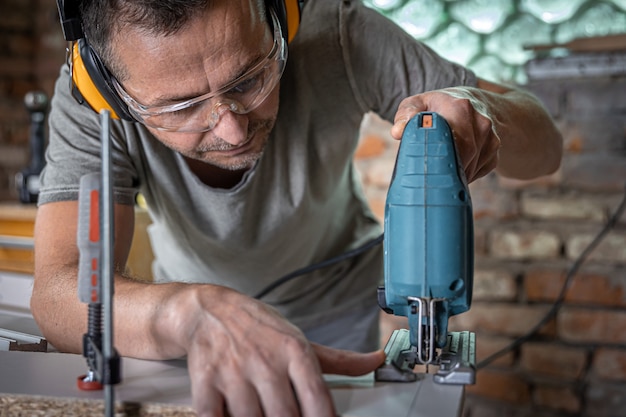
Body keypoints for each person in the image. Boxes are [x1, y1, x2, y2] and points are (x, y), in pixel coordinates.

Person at [31, 0, 563, 416]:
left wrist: (484, 112)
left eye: (251, 78)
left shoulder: (339, 34)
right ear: (108, 90)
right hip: (195, 336)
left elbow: (546, 146)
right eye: (181, 106)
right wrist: (188, 314)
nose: (232, 127)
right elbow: (60, 294)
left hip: (347, 323)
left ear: (281, 18)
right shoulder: (91, 110)